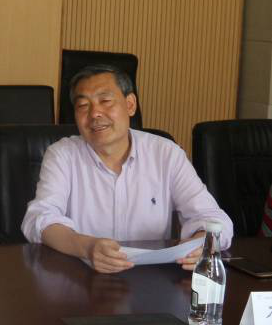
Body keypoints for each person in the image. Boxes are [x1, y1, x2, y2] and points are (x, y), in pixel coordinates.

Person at [22, 65, 234, 273]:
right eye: (83, 105)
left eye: (105, 101)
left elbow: (215, 219)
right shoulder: (62, 154)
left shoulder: (166, 153)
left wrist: (202, 244)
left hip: (151, 278)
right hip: (81, 277)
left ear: (130, 105)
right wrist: (86, 247)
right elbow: (39, 219)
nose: (95, 113)